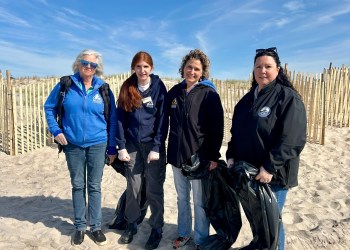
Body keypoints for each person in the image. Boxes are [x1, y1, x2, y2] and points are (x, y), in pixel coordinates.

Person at [226, 47, 307, 250]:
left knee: (272, 224)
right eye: (258, 66)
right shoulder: (245, 102)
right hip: (249, 173)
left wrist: (269, 167)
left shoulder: (287, 98)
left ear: (278, 70)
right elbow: (236, 133)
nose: (263, 71)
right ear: (253, 70)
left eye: (268, 66)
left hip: (274, 176)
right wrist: (231, 156)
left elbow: (293, 140)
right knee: (259, 222)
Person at [44, 49, 117, 246]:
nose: (89, 67)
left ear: (97, 68)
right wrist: (56, 130)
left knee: (94, 186)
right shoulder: (66, 84)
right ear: (78, 63)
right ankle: (79, 226)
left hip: (98, 143)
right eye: (85, 63)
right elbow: (49, 107)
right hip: (73, 144)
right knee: (78, 185)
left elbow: (112, 119)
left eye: (93, 65)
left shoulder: (104, 88)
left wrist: (112, 147)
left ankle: (95, 226)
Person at [167, 49, 224, 249]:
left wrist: (213, 157)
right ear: (183, 69)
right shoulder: (174, 92)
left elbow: (217, 128)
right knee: (182, 198)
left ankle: (200, 239)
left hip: (199, 157)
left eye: (196, 69)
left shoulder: (209, 94)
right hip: (176, 155)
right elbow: (159, 118)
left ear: (202, 73)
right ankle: (184, 233)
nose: (192, 71)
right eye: (189, 67)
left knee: (199, 202)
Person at [116, 51, 168, 250]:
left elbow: (163, 120)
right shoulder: (128, 87)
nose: (142, 70)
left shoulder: (158, 88)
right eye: (138, 66)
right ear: (133, 68)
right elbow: (120, 119)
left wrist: (156, 146)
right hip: (132, 145)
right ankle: (132, 223)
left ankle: (156, 228)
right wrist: (121, 146)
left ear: (151, 68)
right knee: (133, 186)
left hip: (153, 146)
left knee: (154, 188)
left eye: (146, 66)